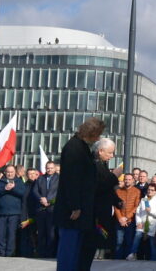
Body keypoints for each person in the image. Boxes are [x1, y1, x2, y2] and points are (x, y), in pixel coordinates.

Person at [55, 116, 105, 271]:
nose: (98, 138)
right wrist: (75, 206)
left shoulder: (81, 147)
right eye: (97, 134)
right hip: (73, 211)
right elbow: (72, 180)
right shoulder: (74, 148)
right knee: (69, 251)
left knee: (75, 251)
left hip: (80, 209)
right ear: (90, 133)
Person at [0, 165, 26, 256]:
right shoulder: (1, 182)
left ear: (15, 173)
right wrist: (5, 189)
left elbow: (23, 193)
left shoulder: (19, 181)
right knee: (1, 234)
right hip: (1, 212)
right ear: (5, 173)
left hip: (14, 213)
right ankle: (1, 253)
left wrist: (13, 189)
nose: (10, 174)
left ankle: (10, 253)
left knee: (11, 234)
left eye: (12, 172)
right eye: (8, 172)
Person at [129, 183, 156, 260]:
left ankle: (153, 259)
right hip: (142, 224)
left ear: (155, 191)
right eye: (148, 189)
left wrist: (151, 211)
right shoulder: (143, 200)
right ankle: (133, 253)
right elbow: (138, 212)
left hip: (153, 225)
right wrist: (138, 222)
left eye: (152, 190)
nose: (150, 191)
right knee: (137, 236)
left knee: (153, 244)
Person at [31, 161, 59, 258]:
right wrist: (41, 199)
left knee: (51, 233)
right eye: (48, 168)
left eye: (51, 168)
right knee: (41, 232)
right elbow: (35, 191)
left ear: (54, 168)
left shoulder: (59, 179)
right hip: (41, 209)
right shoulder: (40, 178)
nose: (49, 170)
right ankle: (41, 253)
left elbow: (59, 193)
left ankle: (50, 254)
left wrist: (49, 201)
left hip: (52, 210)